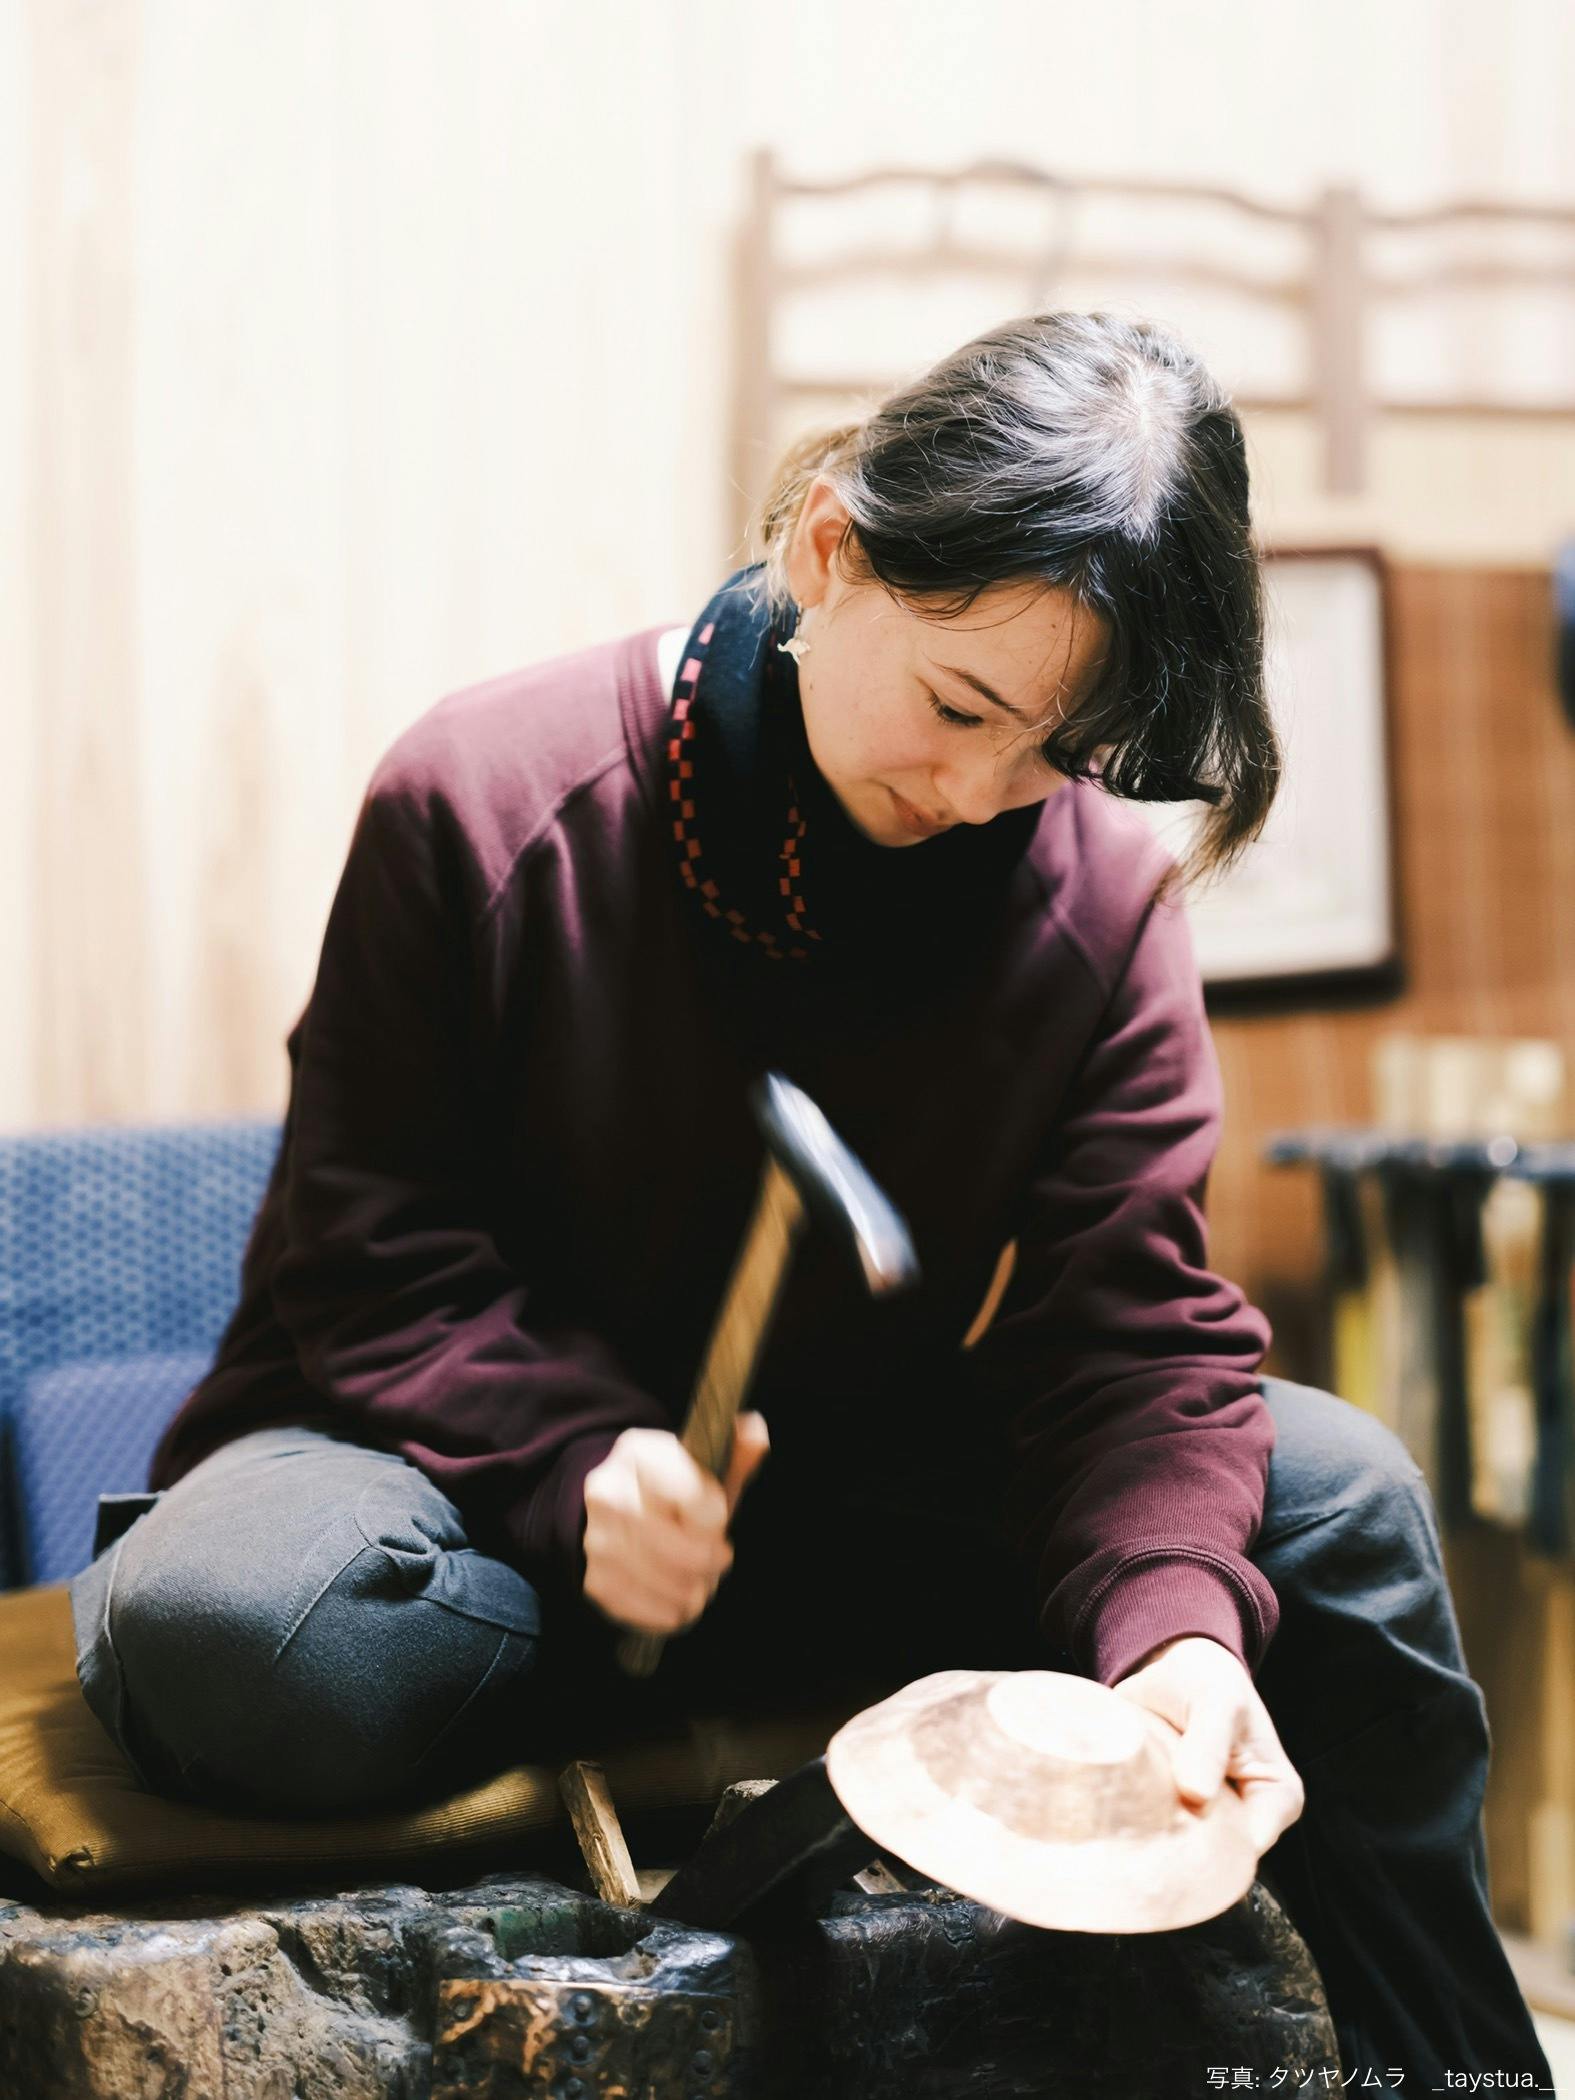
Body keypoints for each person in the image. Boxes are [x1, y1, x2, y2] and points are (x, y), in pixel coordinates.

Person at [68, 310, 1551, 2092]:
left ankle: (1460, 2074)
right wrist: (575, 1470)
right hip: (451, 1503)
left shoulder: (1098, 911)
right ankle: (647, 1672)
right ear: (832, 548)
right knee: (248, 1630)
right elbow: (368, 1255)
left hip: (823, 1506)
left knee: (1339, 1507)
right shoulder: (486, 795)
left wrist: (1173, 1636)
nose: (980, 794)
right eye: (959, 707)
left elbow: (1129, 1338)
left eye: (1059, 754)